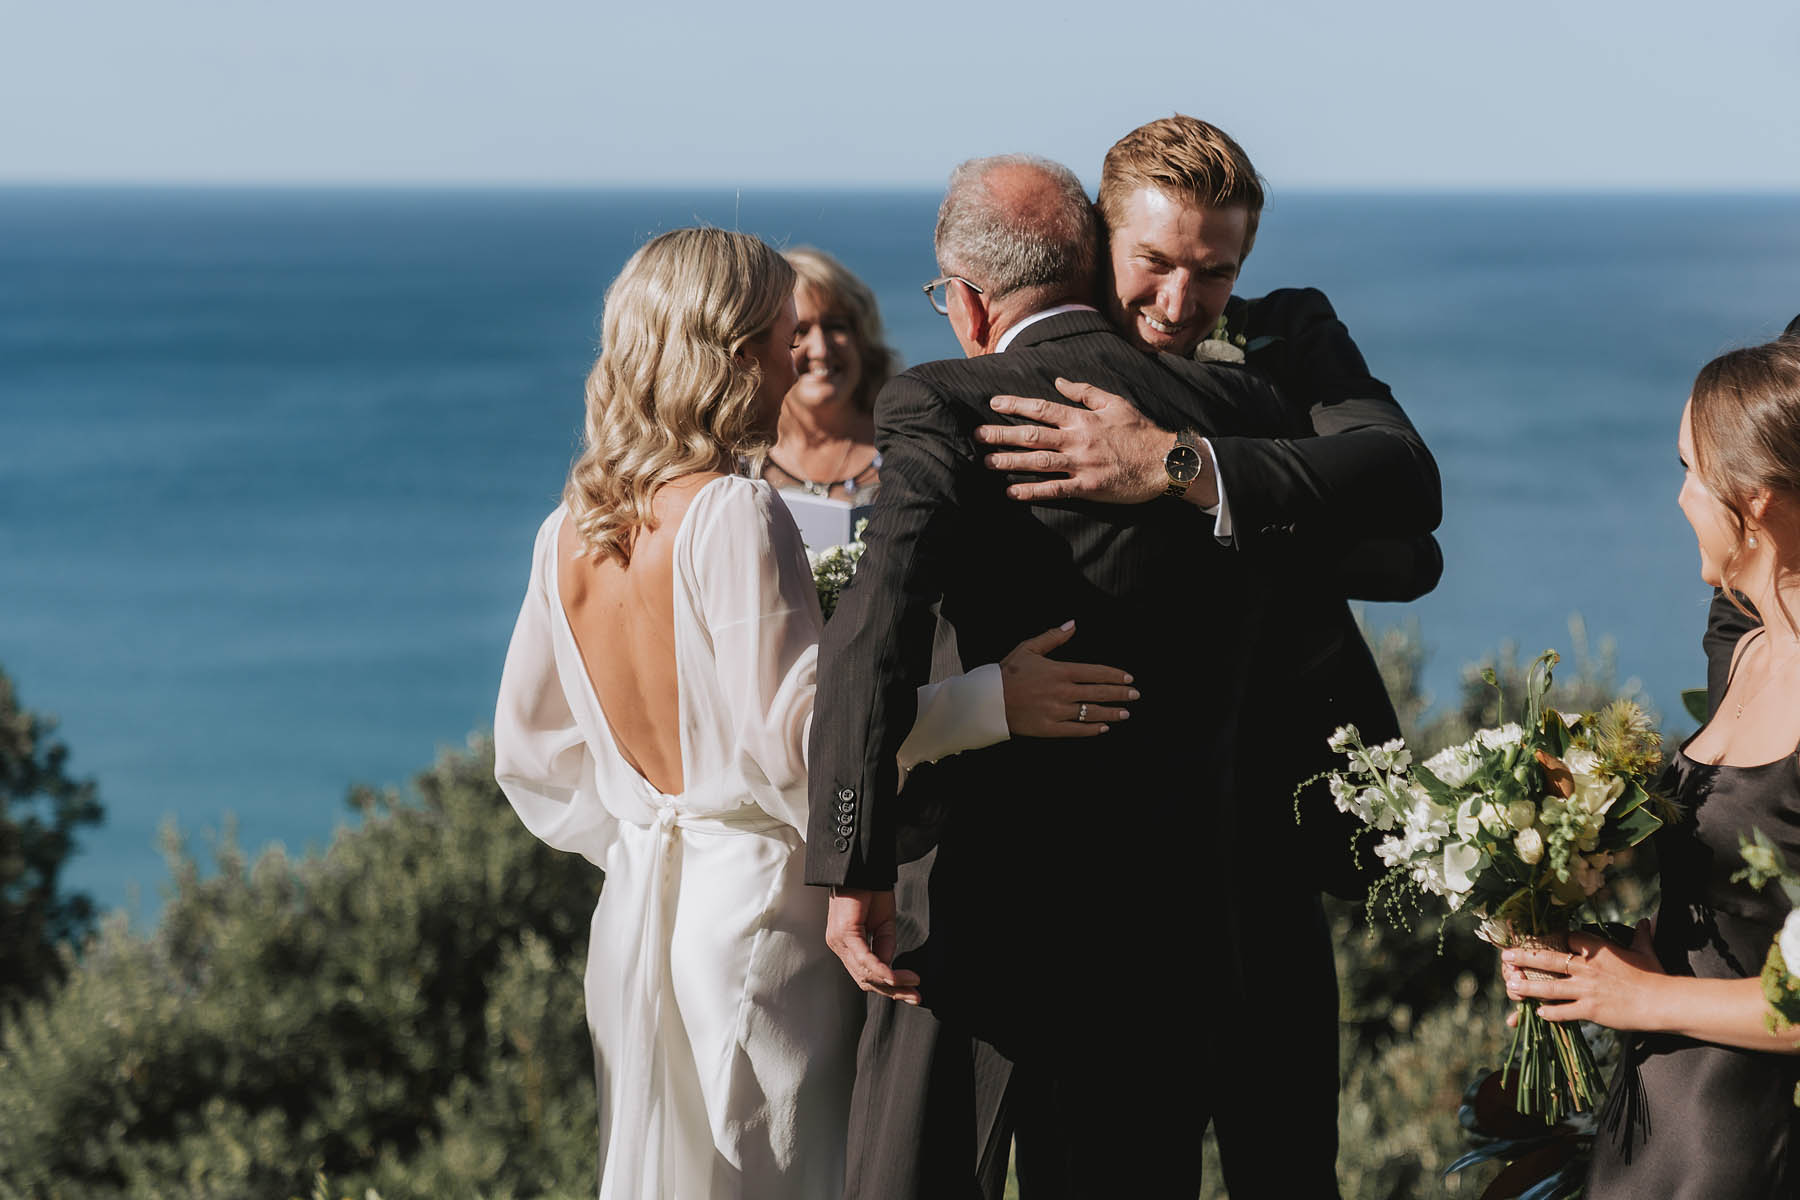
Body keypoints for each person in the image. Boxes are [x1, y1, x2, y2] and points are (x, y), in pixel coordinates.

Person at [492, 228, 1134, 1199]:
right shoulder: (732, 512)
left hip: (640, 920)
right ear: (726, 352)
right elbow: (803, 737)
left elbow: (534, 754)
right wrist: (991, 700)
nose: (796, 362)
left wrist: (650, 833)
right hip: (763, 920)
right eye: (779, 339)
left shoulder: (566, 532)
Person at [883, 115, 1441, 1196]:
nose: (1182, 303)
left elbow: (1407, 511)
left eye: (1215, 271)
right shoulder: (1024, 380)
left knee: (1290, 1167)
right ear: (1099, 239)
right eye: (1155, 264)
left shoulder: (1288, 336)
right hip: (1092, 874)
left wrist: (1184, 471)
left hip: (1272, 830)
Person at [806, 153, 1336, 1196]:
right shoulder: (1236, 403)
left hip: (969, 912)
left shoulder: (944, 399)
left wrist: (852, 865)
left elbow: (877, 627)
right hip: (1168, 928)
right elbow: (1391, 551)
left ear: (968, 301)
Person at [1502, 337, 1800, 1195]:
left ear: (1755, 499)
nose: (1677, 496)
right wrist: (1587, 960)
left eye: (1690, 471)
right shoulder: (1750, 654)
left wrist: (1639, 999)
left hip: (1749, 1148)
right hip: (1655, 1121)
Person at [756, 247, 887, 505]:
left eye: (835, 326)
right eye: (800, 331)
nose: (821, 350)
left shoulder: (902, 449)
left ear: (862, 339)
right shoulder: (741, 457)